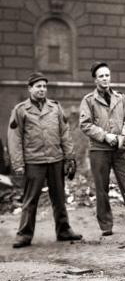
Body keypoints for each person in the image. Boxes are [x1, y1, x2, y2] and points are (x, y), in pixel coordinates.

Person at [8, 72, 82, 248]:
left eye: (44, 86)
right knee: (30, 199)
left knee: (59, 198)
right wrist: (18, 164)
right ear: (30, 89)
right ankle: (24, 234)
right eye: (38, 86)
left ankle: (63, 230)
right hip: (34, 161)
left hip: (55, 159)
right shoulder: (20, 110)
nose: (42, 89)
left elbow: (65, 133)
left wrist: (69, 157)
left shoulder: (55, 108)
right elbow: (15, 138)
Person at [80, 61, 125, 236]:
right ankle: (106, 226)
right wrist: (105, 136)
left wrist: (124, 136)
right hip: (99, 151)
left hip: (120, 149)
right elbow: (85, 124)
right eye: (101, 76)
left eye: (107, 75)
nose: (105, 79)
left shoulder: (120, 98)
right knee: (102, 189)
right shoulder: (88, 100)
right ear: (95, 80)